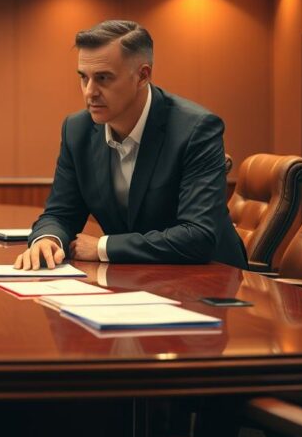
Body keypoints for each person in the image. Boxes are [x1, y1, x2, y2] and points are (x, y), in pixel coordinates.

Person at [15, 20, 246, 270]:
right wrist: (48, 238)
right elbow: (61, 213)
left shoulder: (196, 129)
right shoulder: (76, 130)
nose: (89, 92)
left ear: (142, 76)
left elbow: (198, 236)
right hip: (132, 278)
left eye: (103, 78)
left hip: (212, 278)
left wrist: (104, 247)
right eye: (84, 78)